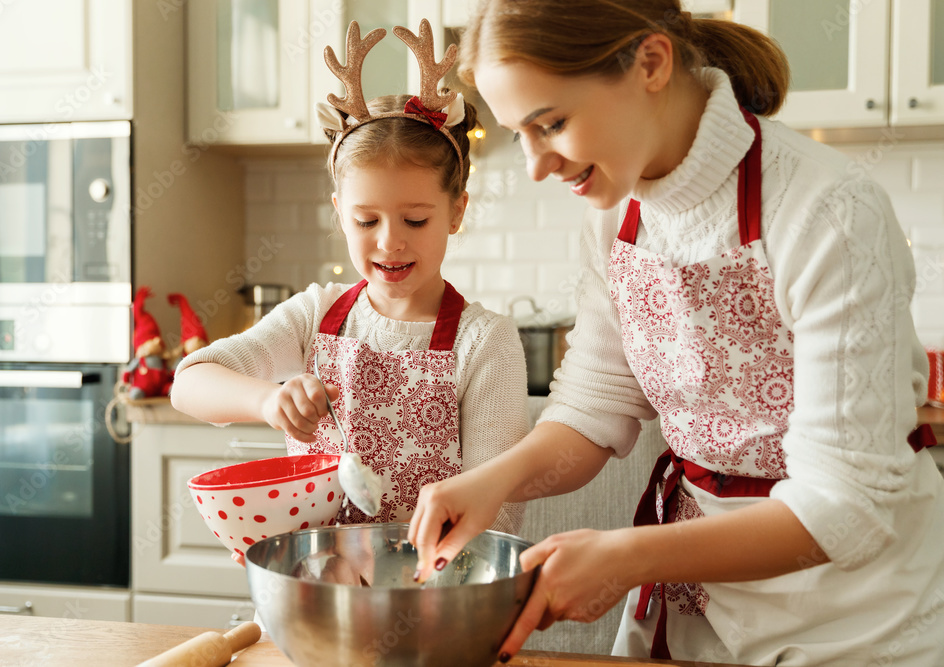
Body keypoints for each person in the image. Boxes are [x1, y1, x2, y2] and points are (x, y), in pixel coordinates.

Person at [406, 1, 944, 665]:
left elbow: (846, 508)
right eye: (519, 133)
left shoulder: (826, 209)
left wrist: (627, 557)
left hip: (856, 620)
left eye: (551, 124)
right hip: (699, 607)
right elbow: (593, 407)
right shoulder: (614, 211)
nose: (536, 166)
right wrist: (493, 481)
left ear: (652, 63)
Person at [171, 20, 528, 548]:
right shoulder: (315, 315)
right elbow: (190, 384)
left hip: (436, 594)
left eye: (415, 220)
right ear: (340, 215)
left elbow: (496, 516)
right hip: (317, 585)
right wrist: (270, 402)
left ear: (456, 212)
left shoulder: (484, 342)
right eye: (366, 222)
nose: (389, 243)